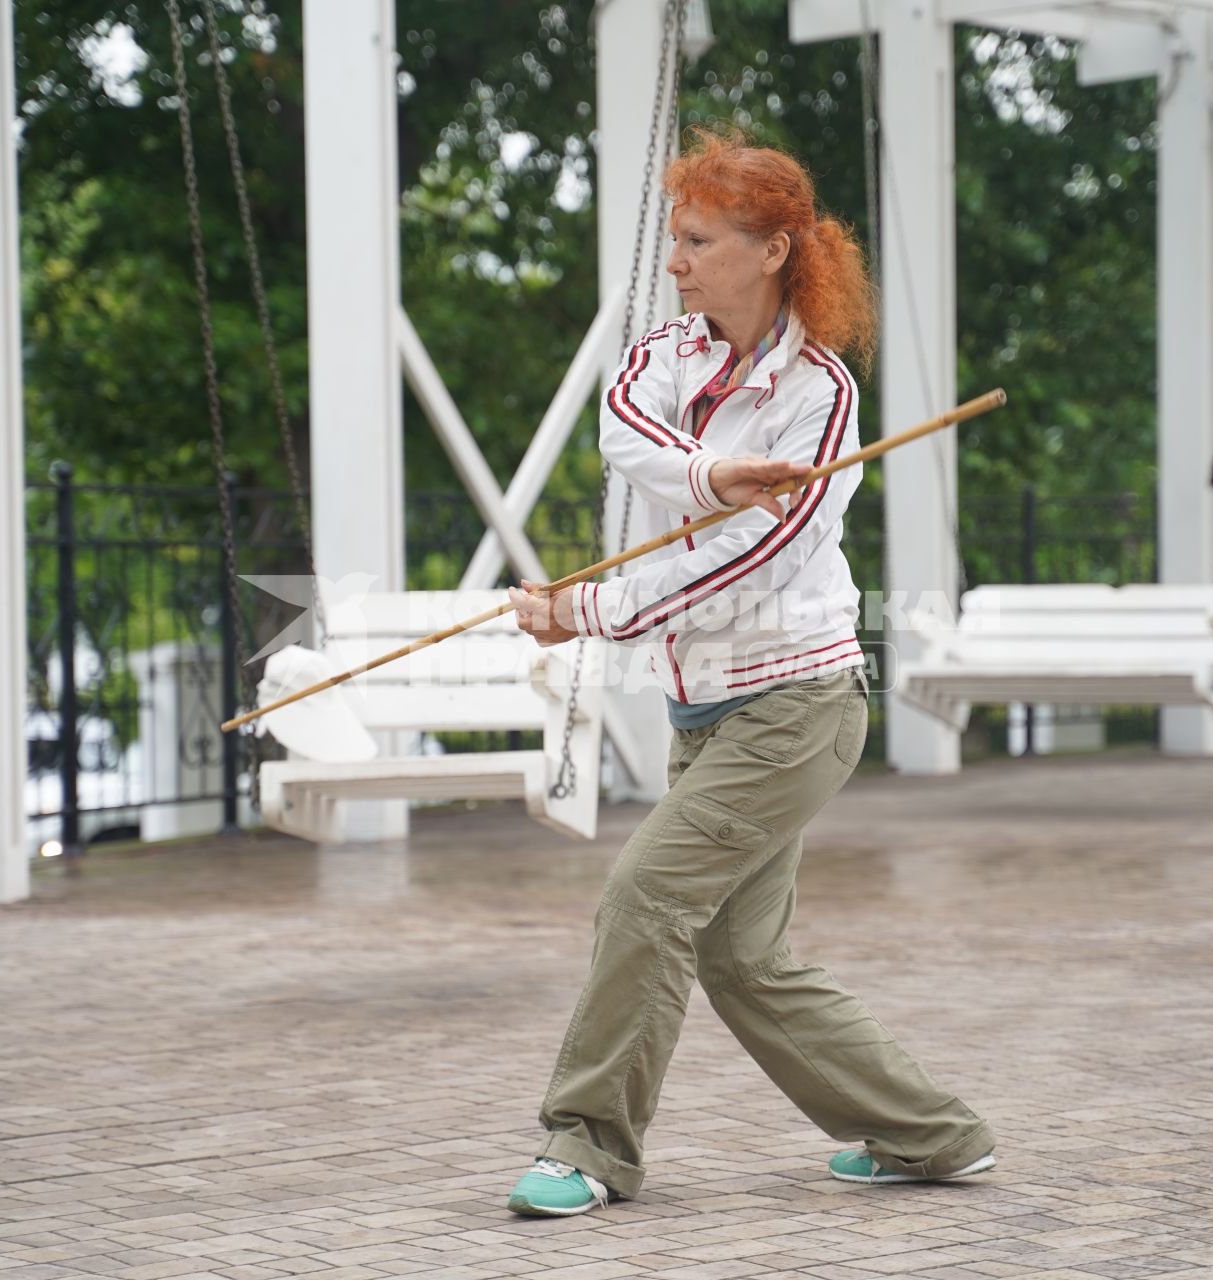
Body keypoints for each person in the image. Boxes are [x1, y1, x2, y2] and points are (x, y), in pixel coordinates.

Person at [502, 129, 995, 1218]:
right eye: (675, 239)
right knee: (746, 961)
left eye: (697, 240)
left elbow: (755, 558)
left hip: (796, 707)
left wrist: (584, 608)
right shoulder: (663, 356)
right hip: (703, 712)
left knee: (645, 895)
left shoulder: (820, 396)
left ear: (773, 249)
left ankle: (587, 1143)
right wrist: (712, 471)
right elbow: (626, 434)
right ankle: (934, 1134)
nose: (674, 261)